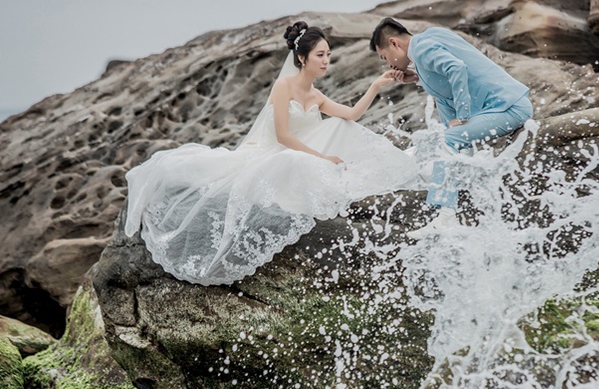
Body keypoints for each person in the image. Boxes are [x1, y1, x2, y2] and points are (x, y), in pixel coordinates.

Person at [124, 22, 419, 284]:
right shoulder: (283, 86)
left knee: (342, 126)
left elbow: (353, 114)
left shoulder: (316, 95)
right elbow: (283, 136)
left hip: (300, 153)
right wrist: (322, 159)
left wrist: (376, 84)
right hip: (272, 153)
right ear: (302, 58)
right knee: (292, 159)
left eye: (328, 54)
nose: (326, 60)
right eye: (320, 55)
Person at [369, 17, 533, 235]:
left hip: (508, 107)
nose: (388, 64)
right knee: (445, 143)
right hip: (507, 105)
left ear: (394, 43)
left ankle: (446, 217)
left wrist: (463, 116)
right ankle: (463, 207)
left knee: (445, 141)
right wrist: (416, 78)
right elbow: (447, 74)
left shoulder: (422, 48)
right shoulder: (428, 40)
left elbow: (457, 68)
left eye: (384, 57)